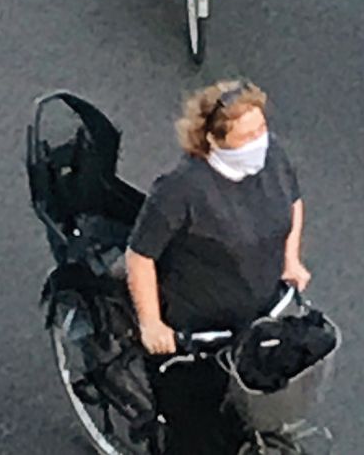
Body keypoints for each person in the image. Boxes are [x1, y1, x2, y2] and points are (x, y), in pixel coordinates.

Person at [128, 78, 309, 455]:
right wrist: (152, 324)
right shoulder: (182, 189)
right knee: (192, 433)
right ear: (212, 139)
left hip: (257, 312)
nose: (259, 142)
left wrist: (291, 258)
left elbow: (292, 201)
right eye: (245, 136)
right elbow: (141, 255)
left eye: (261, 129)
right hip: (197, 329)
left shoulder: (272, 156)